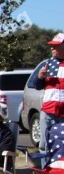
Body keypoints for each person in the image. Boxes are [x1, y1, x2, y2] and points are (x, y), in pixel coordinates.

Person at [30, 32, 64, 160]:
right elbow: (35, 85)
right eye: (51, 46)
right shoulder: (48, 64)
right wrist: (40, 76)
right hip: (48, 111)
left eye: (55, 46)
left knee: (62, 146)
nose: (52, 48)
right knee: (45, 145)